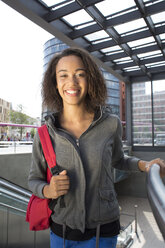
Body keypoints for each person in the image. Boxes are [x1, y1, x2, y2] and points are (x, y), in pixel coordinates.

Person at [28, 47, 165, 248]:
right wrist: (48, 190)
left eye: (80, 74)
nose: (72, 82)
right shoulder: (44, 134)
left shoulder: (111, 123)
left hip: (104, 232)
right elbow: (33, 180)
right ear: (55, 83)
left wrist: (145, 165)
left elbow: (119, 160)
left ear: (90, 79)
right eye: (63, 75)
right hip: (62, 234)